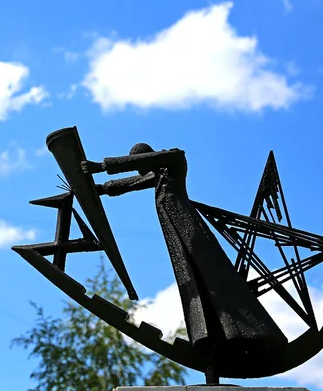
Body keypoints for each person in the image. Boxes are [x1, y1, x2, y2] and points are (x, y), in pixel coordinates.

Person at [81, 143, 288, 375]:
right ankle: (214, 341)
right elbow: (132, 183)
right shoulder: (159, 175)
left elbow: (161, 159)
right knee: (197, 289)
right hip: (180, 242)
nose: (141, 172)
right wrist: (102, 188)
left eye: (142, 164)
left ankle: (248, 334)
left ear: (149, 157)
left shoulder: (174, 160)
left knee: (212, 282)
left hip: (193, 237)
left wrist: (102, 165)